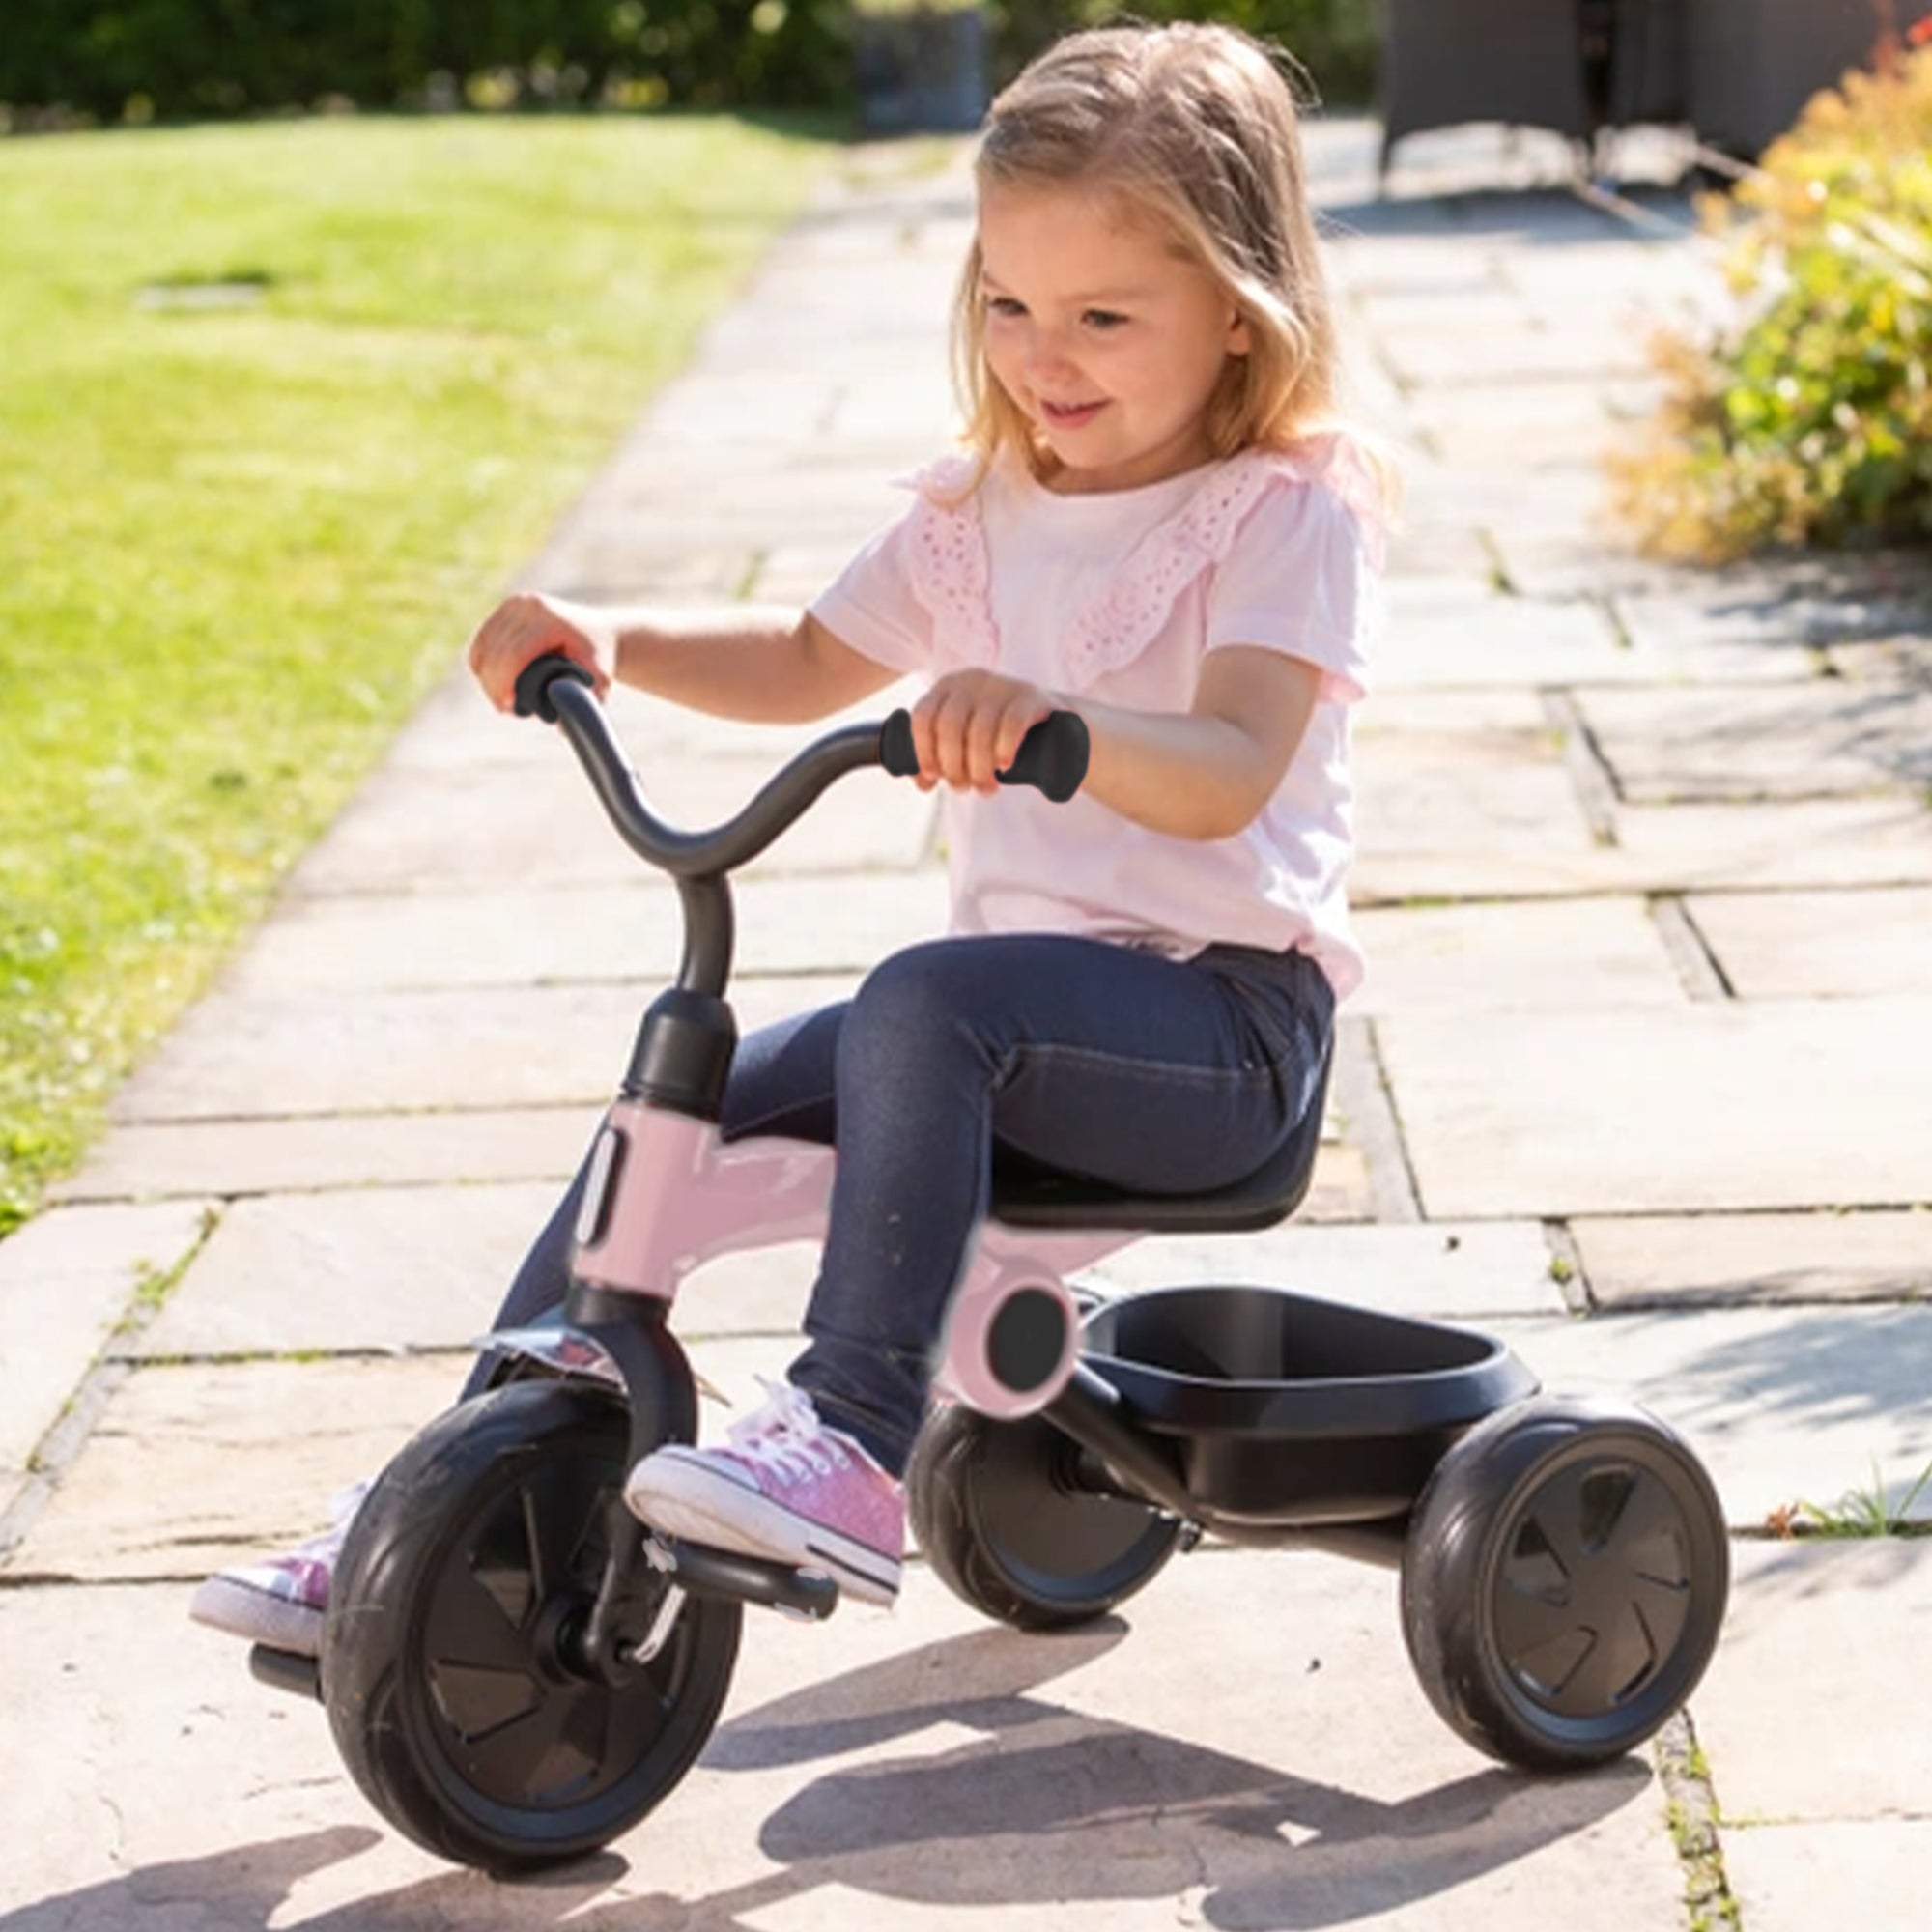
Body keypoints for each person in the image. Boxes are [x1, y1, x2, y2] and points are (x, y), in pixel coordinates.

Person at [189, 17, 1391, 1646]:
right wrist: (616, 637)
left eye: (1105, 317)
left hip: (1223, 1036)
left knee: (921, 1001)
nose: (1046, 356)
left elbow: (1233, 766)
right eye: (1010, 304)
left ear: (1240, 314)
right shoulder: (984, 511)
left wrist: (1058, 724)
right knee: (685, 1102)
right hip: (1014, 1038)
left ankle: (852, 1433)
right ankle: (470, 1472)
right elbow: (808, 660)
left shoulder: (1281, 512)